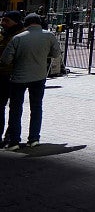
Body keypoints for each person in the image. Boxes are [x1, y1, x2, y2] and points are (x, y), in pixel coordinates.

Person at [1, 14, 60, 150]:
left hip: (19, 77)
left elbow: (5, 60)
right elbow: (56, 54)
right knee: (36, 107)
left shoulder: (18, 38)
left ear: (26, 24)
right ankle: (34, 138)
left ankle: (14, 141)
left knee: (15, 109)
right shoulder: (49, 36)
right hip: (39, 76)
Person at [0, 11, 26, 146]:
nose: (3, 23)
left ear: (15, 22)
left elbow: (6, 59)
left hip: (14, 76)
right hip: (5, 76)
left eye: (6, 21)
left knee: (14, 108)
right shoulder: (6, 35)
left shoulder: (20, 36)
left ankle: (11, 136)